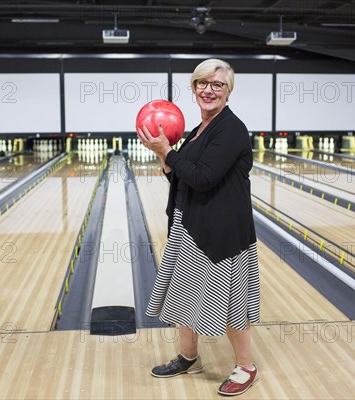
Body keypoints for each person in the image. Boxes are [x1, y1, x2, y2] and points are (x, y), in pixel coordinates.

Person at [136, 58, 260, 396]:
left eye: (217, 84)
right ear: (193, 88)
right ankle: (189, 356)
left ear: (228, 91)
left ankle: (246, 367)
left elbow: (204, 178)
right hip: (190, 224)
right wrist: (164, 157)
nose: (209, 90)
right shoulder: (200, 129)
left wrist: (168, 151)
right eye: (202, 83)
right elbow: (181, 176)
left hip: (222, 233)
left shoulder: (231, 129)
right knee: (186, 294)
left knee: (232, 303)